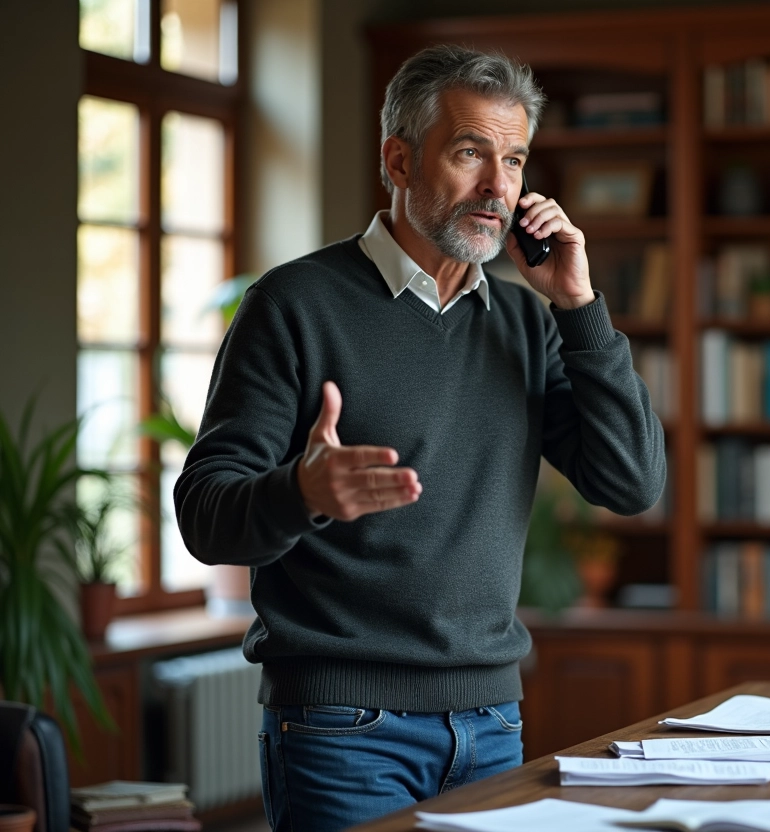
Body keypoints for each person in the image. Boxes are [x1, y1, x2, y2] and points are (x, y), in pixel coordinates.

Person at [174, 44, 666, 831]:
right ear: (398, 161)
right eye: (470, 153)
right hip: (342, 730)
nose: (498, 186)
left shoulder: (525, 322)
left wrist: (579, 308)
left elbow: (632, 482)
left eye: (514, 160)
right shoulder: (294, 305)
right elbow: (205, 515)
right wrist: (302, 491)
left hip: (492, 725)